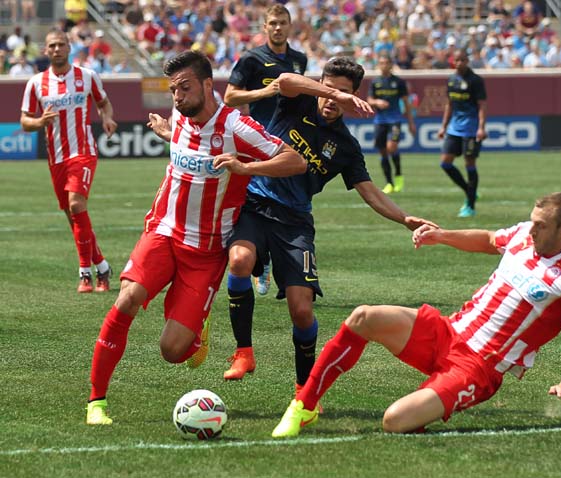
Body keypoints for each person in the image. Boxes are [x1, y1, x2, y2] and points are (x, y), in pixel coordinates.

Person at [85, 50, 305, 425]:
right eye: (173, 90)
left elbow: (295, 160)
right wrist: (169, 133)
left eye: (184, 87)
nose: (177, 96)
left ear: (207, 85)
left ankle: (195, 329)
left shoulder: (237, 127)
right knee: (127, 299)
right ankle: (97, 403)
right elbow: (190, 146)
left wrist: (245, 166)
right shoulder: (180, 116)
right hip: (163, 231)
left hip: (205, 252)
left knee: (172, 351)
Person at [272, 192, 561, 438]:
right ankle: (305, 405)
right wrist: (441, 235)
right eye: (531, 221)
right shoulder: (522, 236)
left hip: (478, 367)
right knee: (363, 317)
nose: (532, 230)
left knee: (395, 421)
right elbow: (490, 240)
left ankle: (434, 396)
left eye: (541, 226)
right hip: (447, 332)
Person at [221, 57, 435, 395]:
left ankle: (304, 390)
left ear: (355, 95)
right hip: (256, 205)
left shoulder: (346, 147)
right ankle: (244, 352)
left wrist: (405, 219)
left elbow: (370, 192)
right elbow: (288, 79)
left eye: (344, 93)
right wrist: (334, 92)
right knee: (239, 262)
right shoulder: (296, 102)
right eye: (329, 89)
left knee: (302, 311)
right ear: (320, 85)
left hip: (295, 222)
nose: (333, 98)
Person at [20, 28, 117, 293]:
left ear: (68, 47)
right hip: (57, 158)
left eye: (61, 44)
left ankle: (85, 273)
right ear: (45, 50)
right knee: (73, 216)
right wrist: (39, 121)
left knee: (76, 205)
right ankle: (103, 266)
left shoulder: (87, 77)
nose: (56, 49)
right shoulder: (36, 83)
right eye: (51, 45)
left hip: (83, 152)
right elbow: (25, 121)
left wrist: (107, 117)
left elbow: (103, 103)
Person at [224, 3, 308, 296]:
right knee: (252, 206)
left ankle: (275, 262)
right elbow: (230, 96)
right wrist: (266, 90)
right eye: (272, 23)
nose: (277, 27)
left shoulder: (300, 60)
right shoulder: (251, 59)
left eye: (282, 22)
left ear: (290, 25)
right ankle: (259, 262)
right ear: (264, 27)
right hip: (256, 144)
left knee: (282, 205)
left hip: (287, 145)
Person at [438, 49, 487, 218]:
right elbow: (449, 105)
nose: (459, 63)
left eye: (463, 60)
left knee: (469, 164)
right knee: (445, 163)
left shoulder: (476, 81)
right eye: (457, 60)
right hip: (454, 128)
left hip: (471, 129)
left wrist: (481, 127)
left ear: (467, 61)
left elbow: (482, 105)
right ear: (453, 61)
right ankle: (469, 190)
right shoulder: (451, 80)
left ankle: (470, 206)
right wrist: (444, 126)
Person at [367, 55, 416, 194]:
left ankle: (399, 175)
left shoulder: (399, 82)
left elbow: (407, 103)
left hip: (395, 119)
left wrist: (411, 123)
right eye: (381, 63)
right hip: (380, 120)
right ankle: (389, 182)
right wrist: (377, 102)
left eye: (386, 63)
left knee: (391, 147)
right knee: (382, 151)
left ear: (391, 64)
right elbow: (370, 99)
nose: (384, 65)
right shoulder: (375, 82)